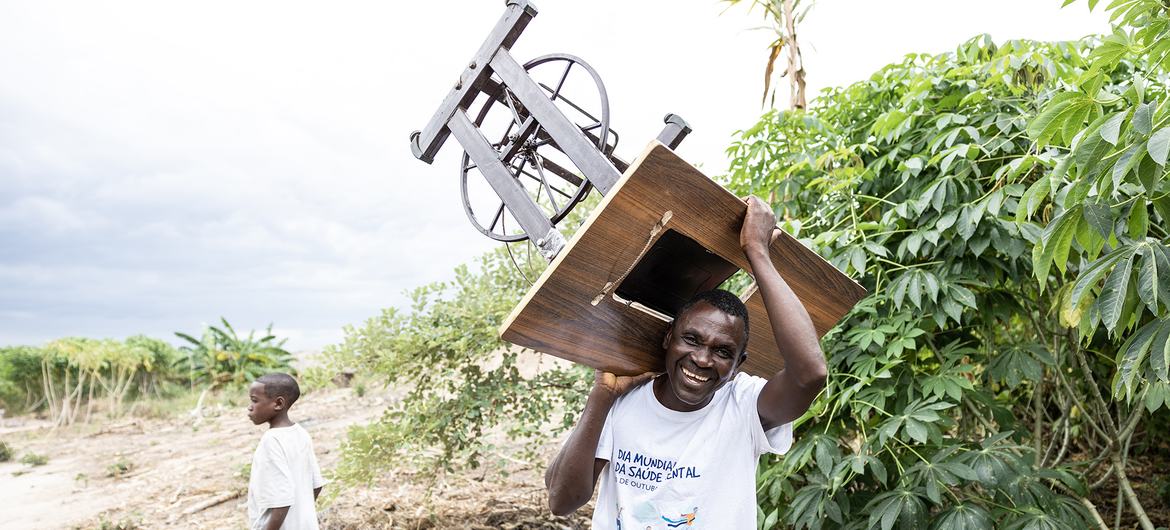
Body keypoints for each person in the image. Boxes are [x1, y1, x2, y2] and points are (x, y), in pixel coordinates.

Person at [544, 196, 828, 528]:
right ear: (669, 338)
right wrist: (601, 397)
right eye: (691, 340)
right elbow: (562, 501)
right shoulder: (620, 401)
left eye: (723, 352)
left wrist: (757, 251)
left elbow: (811, 373)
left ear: (738, 365)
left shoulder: (744, 406)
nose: (702, 359)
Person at [246, 373, 326, 530]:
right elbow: (316, 485)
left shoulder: (271, 441)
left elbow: (281, 500)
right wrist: (301, 516)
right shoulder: (301, 433)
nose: (250, 407)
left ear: (278, 403)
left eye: (255, 401)